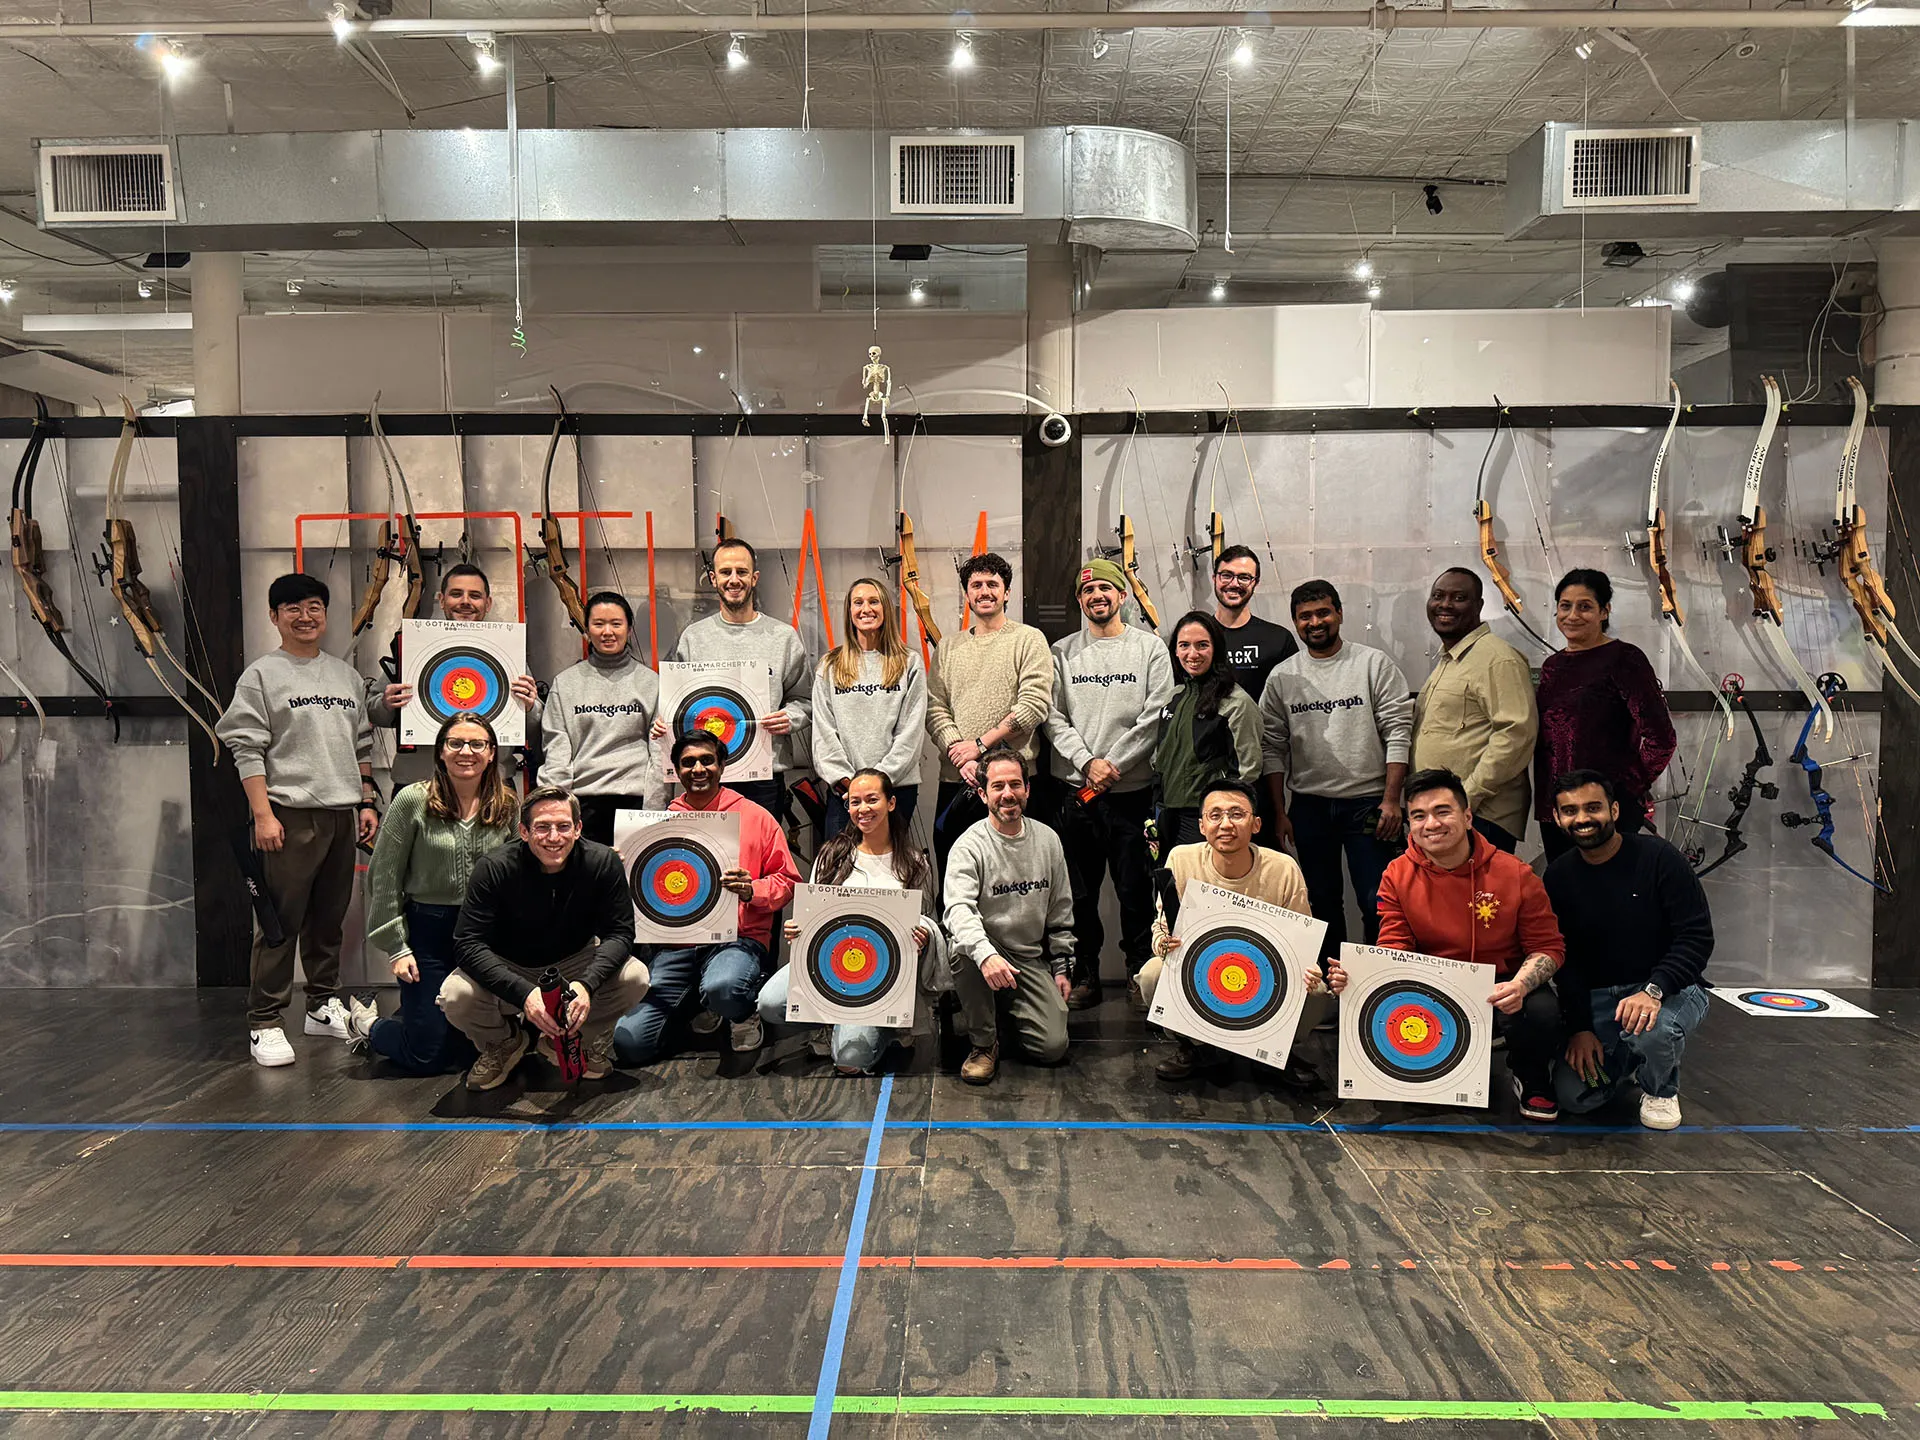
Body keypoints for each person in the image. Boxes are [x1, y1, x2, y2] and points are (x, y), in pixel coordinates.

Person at [216, 572, 380, 1068]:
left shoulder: (345, 676)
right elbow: (246, 747)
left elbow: (362, 744)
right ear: (274, 616)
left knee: (329, 920)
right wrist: (263, 815)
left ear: (325, 615)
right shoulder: (262, 675)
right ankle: (265, 1020)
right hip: (288, 815)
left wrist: (367, 801)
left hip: (341, 813)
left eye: (314, 607)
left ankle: (321, 1005)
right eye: (292, 608)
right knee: (279, 923)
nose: (305, 616)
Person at [1375, 768, 1566, 1120]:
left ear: (1466, 816)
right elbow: (1394, 944)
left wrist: (1520, 985)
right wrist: (1363, 974)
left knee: (1541, 1010)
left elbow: (1548, 947)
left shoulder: (1516, 874)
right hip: (1434, 987)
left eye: (1442, 811)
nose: (1431, 824)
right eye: (1419, 815)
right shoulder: (1396, 874)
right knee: (1422, 1102)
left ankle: (1532, 1076)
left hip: (1502, 984)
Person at [443, 785, 651, 1089]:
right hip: (509, 962)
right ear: (524, 831)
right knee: (455, 995)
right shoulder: (494, 867)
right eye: (542, 827)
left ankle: (571, 1040)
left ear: (578, 828)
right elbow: (467, 944)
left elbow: (620, 933)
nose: (554, 837)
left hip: (575, 961)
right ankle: (502, 1043)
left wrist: (586, 984)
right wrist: (524, 993)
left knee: (636, 977)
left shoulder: (603, 861)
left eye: (563, 826)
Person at [614, 729, 801, 1064]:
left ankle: (740, 1013)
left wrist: (752, 890)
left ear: (721, 766)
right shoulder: (658, 823)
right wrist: (620, 869)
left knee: (724, 987)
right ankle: (696, 1005)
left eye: (706, 761)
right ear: (676, 771)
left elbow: (787, 881)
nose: (697, 769)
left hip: (738, 941)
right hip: (676, 947)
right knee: (629, 1044)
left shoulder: (757, 817)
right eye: (688, 763)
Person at [1544, 770, 1712, 1131]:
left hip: (1671, 990)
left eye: (1593, 808)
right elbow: (1565, 958)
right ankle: (1625, 1063)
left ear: (1615, 810)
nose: (1583, 819)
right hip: (1602, 1001)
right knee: (1577, 1096)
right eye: (1570, 811)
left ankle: (1660, 1087)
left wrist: (1654, 989)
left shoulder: (1659, 858)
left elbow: (1696, 937)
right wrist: (1580, 1027)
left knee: (1654, 1031)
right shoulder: (1557, 876)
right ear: (1557, 819)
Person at [351, 713, 518, 1073]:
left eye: (477, 744)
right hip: (427, 933)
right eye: (455, 743)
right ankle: (370, 1026)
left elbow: (525, 870)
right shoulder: (413, 800)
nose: (466, 752)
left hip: (484, 935)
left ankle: (419, 1015)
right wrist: (396, 946)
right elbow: (384, 876)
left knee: (474, 1052)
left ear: (492, 753)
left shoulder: (506, 805)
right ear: (441, 752)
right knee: (427, 1056)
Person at [1044, 557, 1176, 1009]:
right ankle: (1086, 976)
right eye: (1087, 591)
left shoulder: (1150, 650)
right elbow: (1052, 717)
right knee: (1078, 894)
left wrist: (1110, 765)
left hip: (1132, 795)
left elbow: (1156, 714)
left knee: (1136, 891)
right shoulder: (1061, 652)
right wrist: (1086, 762)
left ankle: (1142, 974)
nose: (1097, 596)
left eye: (1106, 588)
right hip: (1077, 796)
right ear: (1080, 601)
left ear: (1121, 595)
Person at [1260, 580, 1414, 959]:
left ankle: (1379, 988)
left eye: (1323, 613)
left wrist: (1393, 800)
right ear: (1295, 623)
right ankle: (1332, 985)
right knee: (1321, 904)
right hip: (1309, 807)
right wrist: (1280, 812)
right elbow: (1272, 747)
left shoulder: (1373, 664)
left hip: (1369, 805)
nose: (1315, 622)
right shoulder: (1282, 677)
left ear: (1340, 614)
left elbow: (1398, 731)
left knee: (1378, 901)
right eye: (1305, 617)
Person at [1141, 780, 1336, 1081]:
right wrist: (1162, 944)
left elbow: (1301, 941)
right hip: (1202, 971)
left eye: (1237, 814)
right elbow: (1161, 925)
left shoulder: (1283, 868)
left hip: (1265, 976)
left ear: (1256, 824)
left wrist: (1306, 968)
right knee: (1153, 973)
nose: (1226, 824)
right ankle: (1194, 1047)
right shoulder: (1181, 859)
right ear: (1202, 825)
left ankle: (1276, 1052)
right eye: (1215, 815)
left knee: (1316, 991)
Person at [759, 769, 949, 1075]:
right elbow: (810, 916)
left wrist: (923, 933)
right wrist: (798, 929)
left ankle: (889, 1027)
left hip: (880, 976)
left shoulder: (913, 861)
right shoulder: (831, 855)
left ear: (890, 803)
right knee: (769, 1003)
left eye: (872, 800)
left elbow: (925, 919)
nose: (863, 809)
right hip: (828, 964)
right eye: (855, 802)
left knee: (849, 1062)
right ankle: (835, 1018)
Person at [943, 748, 1073, 1084]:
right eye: (998, 786)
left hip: (1028, 957)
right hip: (983, 951)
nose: (1008, 794)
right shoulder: (968, 846)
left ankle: (1001, 1014)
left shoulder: (1049, 841)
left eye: (1015, 784)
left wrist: (1062, 965)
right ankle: (983, 1044)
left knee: (1053, 1047)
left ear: (1027, 790)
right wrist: (985, 955)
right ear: (983, 793)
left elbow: (1061, 911)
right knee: (962, 948)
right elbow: (957, 910)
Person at [1532, 570, 1678, 863]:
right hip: (1557, 811)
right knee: (1565, 895)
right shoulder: (1552, 666)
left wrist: (1623, 790)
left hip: (1606, 811)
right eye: (1565, 605)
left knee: (1613, 897)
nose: (1572, 615)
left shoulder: (1624, 659)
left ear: (1604, 611)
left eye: (1584, 606)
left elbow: (1661, 739)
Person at [660, 537, 811, 818]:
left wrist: (791, 718)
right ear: (713, 578)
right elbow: (675, 704)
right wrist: (664, 722)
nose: (734, 580)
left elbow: (805, 700)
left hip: (764, 777)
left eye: (741, 572)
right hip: (702, 775)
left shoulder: (783, 638)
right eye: (725, 572)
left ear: (754, 578)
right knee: (707, 859)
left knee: (760, 860)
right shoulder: (693, 638)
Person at [924, 551, 1052, 871]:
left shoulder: (1028, 640)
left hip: (1012, 784)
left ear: (1006, 592)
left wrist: (980, 747)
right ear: (966, 594)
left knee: (1015, 878)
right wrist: (960, 753)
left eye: (992, 584)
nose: (984, 591)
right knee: (955, 877)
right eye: (976, 584)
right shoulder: (949, 648)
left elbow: (1034, 705)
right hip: (958, 782)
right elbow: (935, 707)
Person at [367, 562, 539, 788]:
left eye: (474, 595)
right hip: (420, 782)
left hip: (490, 783)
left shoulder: (505, 650)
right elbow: (373, 711)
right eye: (456, 594)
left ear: (487, 604)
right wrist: (387, 703)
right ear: (441, 600)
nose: (465, 602)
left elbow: (533, 726)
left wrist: (530, 707)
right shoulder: (416, 646)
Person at [1411, 568, 1539, 854]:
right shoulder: (1451, 660)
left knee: (1477, 899)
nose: (1445, 604)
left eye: (1459, 598)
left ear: (1479, 606)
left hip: (1479, 817)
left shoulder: (1497, 659)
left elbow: (1516, 734)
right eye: (1438, 596)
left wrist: (1467, 796)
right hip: (1450, 814)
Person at [541, 591, 664, 844]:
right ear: (587, 629)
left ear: (629, 629)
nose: (607, 632)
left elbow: (659, 754)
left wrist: (654, 810)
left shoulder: (652, 683)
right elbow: (557, 751)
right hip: (582, 803)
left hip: (636, 803)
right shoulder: (565, 684)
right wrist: (560, 811)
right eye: (598, 624)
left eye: (616, 624)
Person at [811, 577, 928, 839]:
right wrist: (848, 783)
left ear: (885, 608)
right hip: (845, 792)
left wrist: (879, 784)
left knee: (889, 871)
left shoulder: (909, 663)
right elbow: (823, 733)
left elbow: (911, 730)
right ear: (849, 612)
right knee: (840, 873)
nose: (866, 609)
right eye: (858, 602)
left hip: (896, 789)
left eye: (874, 601)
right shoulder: (830, 665)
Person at [1212, 543, 1299, 852]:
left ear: (1255, 584)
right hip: (1205, 774)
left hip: (1261, 776)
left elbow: (1289, 715)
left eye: (1244, 577)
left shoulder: (1277, 640)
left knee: (1261, 867)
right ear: (1214, 578)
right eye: (1226, 575)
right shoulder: (1193, 637)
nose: (1234, 583)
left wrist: (1278, 807)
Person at [1152, 610, 1263, 849]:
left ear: (1216, 649)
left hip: (1206, 819)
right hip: (1166, 815)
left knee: (1198, 886)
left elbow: (1246, 772)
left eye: (1202, 645)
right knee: (1168, 884)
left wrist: (1220, 817)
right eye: (1184, 645)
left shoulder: (1235, 702)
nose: (1192, 654)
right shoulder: (1174, 697)